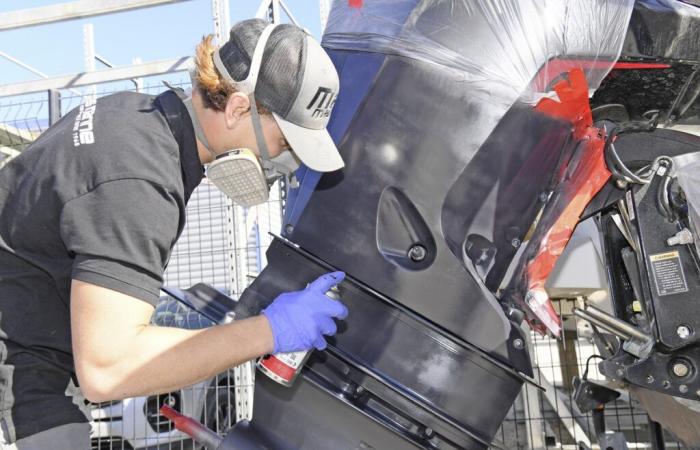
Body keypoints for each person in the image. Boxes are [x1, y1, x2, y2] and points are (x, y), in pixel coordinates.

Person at [0, 18, 347, 449]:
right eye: (285, 144)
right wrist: (269, 331)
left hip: (31, 355)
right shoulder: (139, 179)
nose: (284, 162)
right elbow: (109, 367)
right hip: (18, 376)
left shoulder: (134, 117)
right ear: (238, 109)